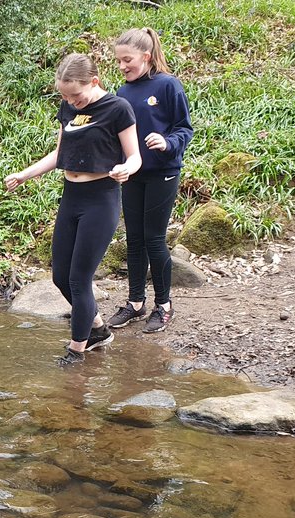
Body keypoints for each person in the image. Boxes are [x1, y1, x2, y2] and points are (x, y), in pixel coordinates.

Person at [4, 53, 141, 365]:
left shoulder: (118, 108)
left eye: (75, 95)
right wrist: (25, 174)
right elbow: (60, 152)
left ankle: (75, 351)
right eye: (64, 95)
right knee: (60, 278)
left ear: (94, 82)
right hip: (72, 196)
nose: (70, 101)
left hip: (101, 197)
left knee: (80, 279)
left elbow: (135, 156)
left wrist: (125, 168)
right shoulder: (68, 106)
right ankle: (97, 330)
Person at [106, 27, 193, 334]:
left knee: (154, 239)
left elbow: (185, 128)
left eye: (127, 60)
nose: (122, 66)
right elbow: (116, 134)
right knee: (134, 239)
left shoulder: (168, 85)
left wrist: (167, 142)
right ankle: (135, 303)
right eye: (118, 61)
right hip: (133, 174)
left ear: (145, 56)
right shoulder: (123, 92)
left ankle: (164, 306)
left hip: (163, 172)